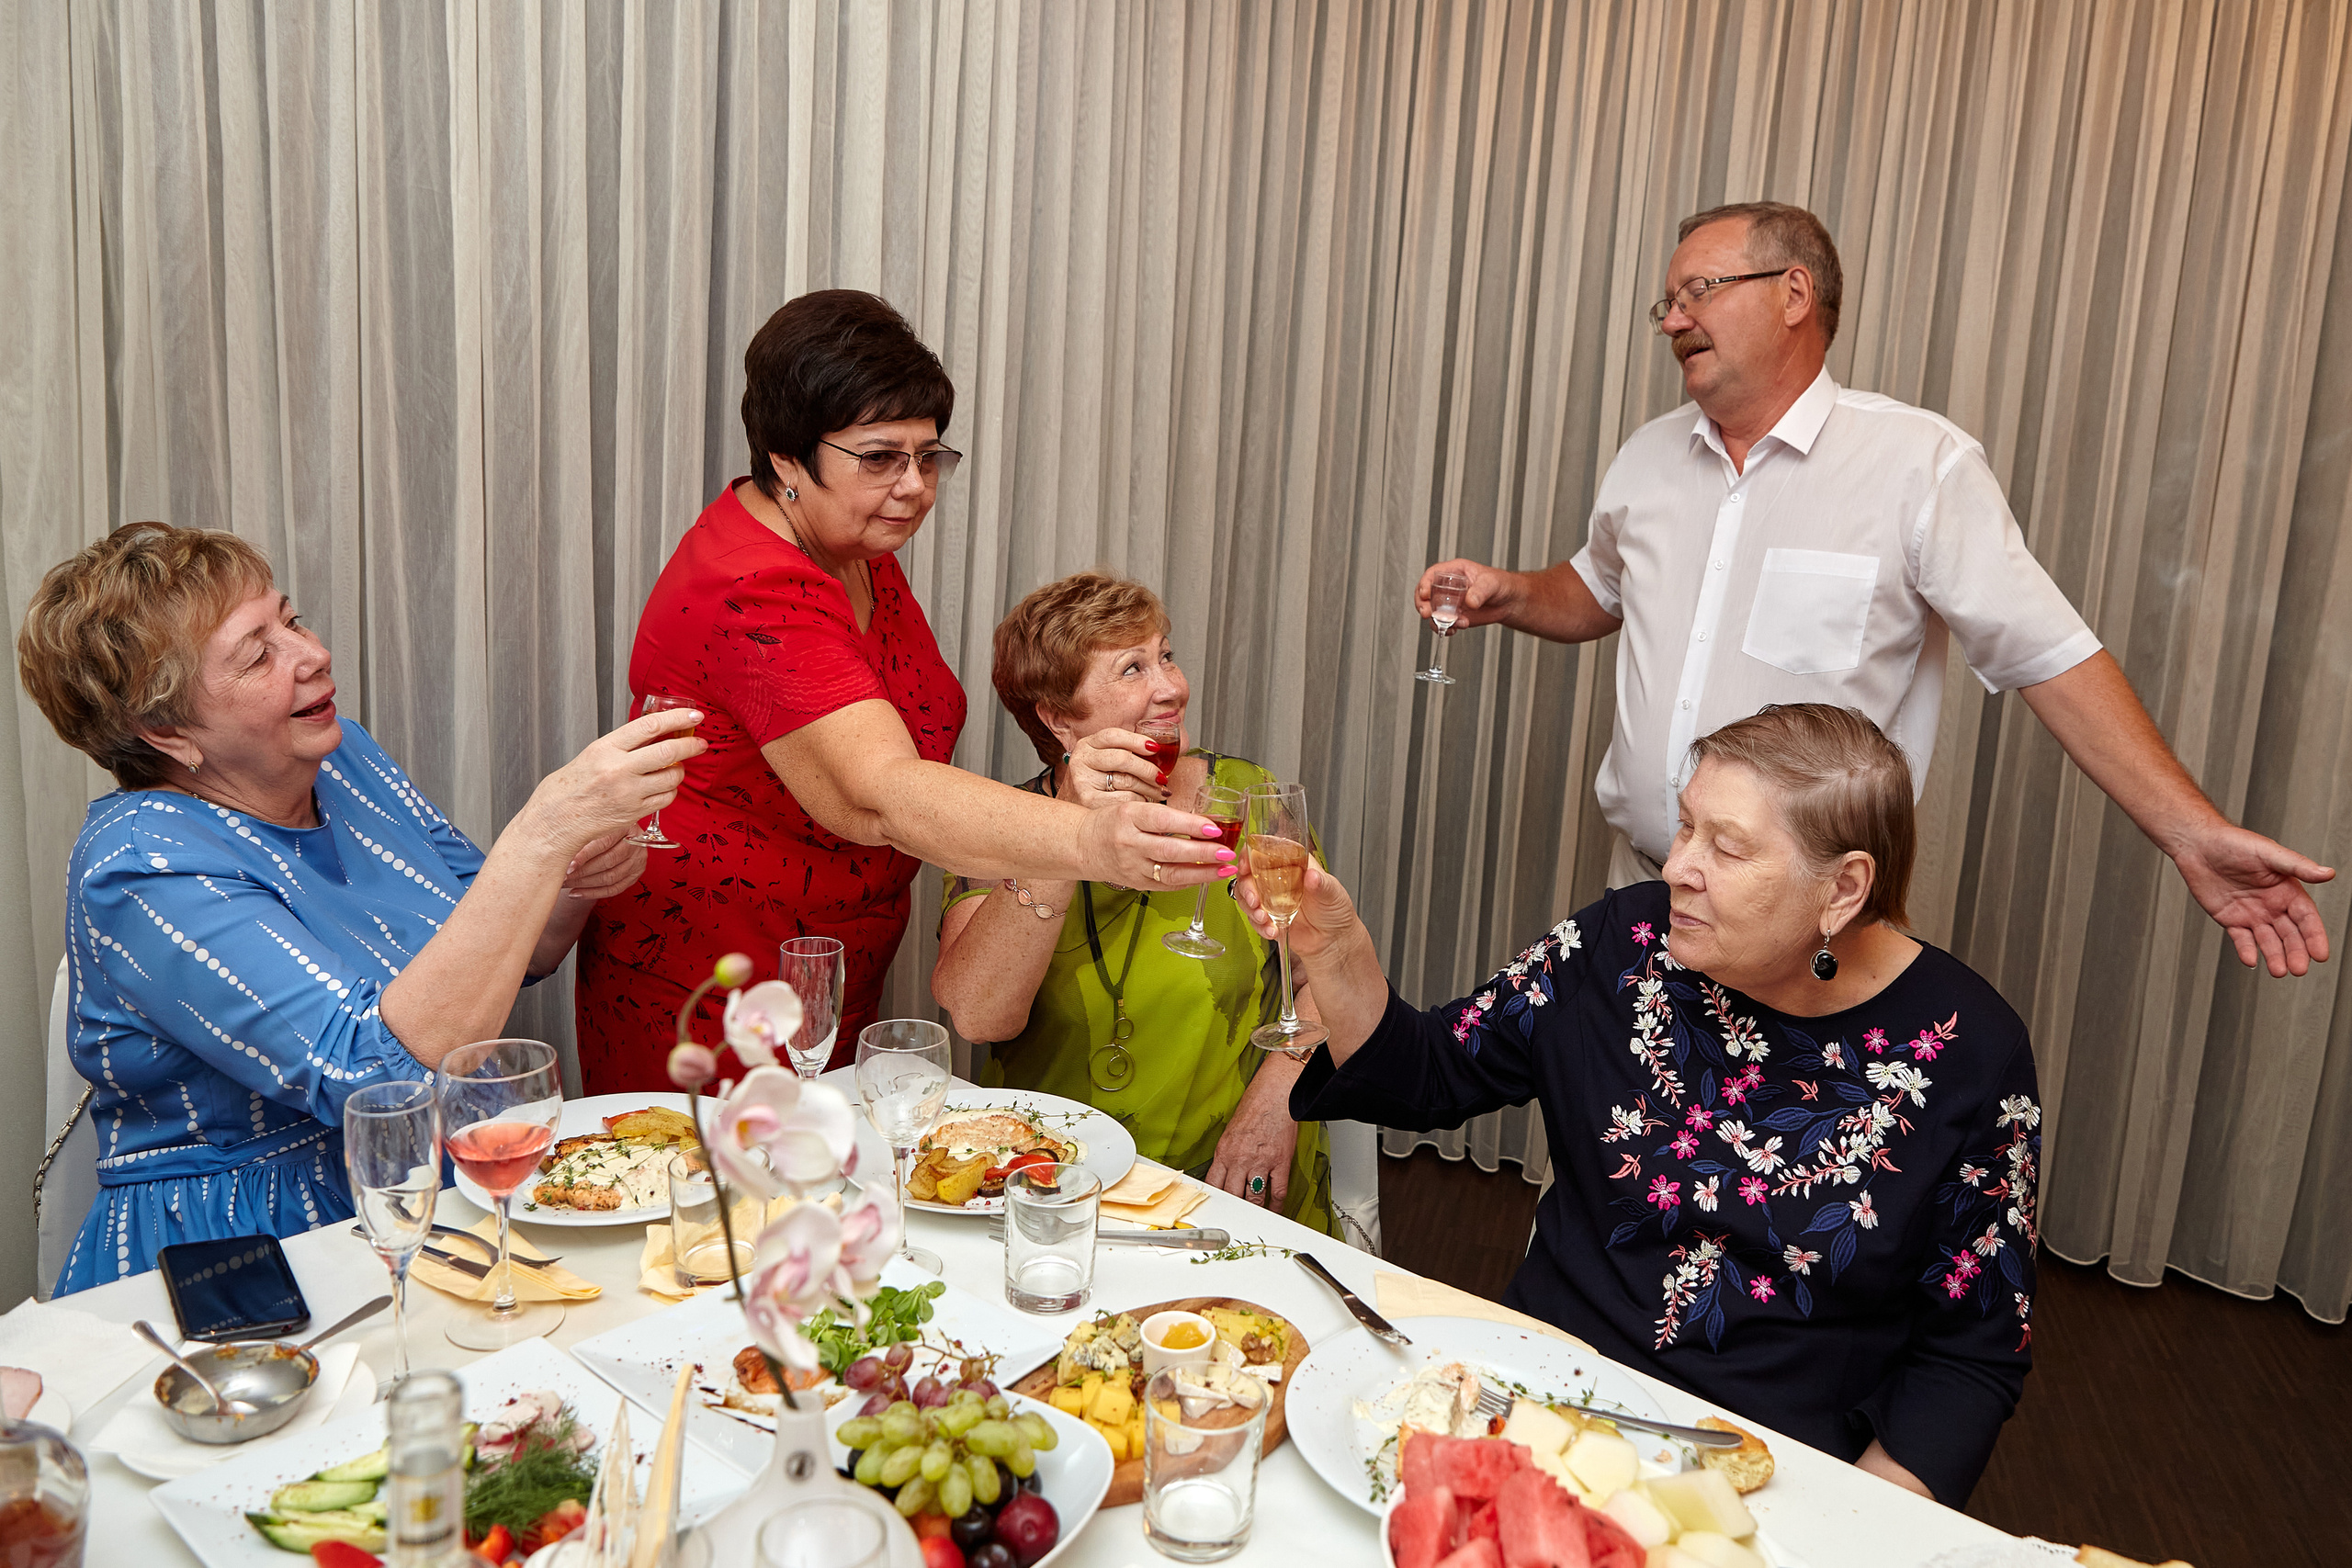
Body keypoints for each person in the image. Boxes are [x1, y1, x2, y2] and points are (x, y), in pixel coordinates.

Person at [1418, 200, 2332, 978]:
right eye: (1669, 299)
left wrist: (2190, 832)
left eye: (1699, 291)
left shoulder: (1917, 466)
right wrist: (1510, 594)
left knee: (1780, 1181)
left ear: (1792, 294)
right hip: (1641, 907)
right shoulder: (1647, 456)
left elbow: (2048, 656)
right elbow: (1597, 591)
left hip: (1804, 935)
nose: (1671, 319)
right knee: (1617, 1174)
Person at [1250, 705, 2038, 1507]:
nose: (1677, 867)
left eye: (1725, 847)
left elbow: (1968, 1359)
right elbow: (1430, 1074)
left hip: (1754, 1475)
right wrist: (1338, 951)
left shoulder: (1970, 1050)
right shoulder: (1623, 944)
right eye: (1686, 826)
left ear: (1843, 887)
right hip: (1533, 1404)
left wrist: (1852, 1526)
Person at [575, 293, 1232, 1089]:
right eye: (881, 457)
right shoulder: (746, 585)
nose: (915, 486)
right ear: (786, 457)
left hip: (835, 963)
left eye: (929, 457)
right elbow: (879, 792)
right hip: (718, 982)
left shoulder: (853, 543)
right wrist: (1093, 840)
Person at [17, 523, 697, 1293]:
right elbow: (379, 1074)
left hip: (439, 1191)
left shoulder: (341, 757)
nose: (312, 654)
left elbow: (513, 952)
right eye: (258, 652)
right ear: (168, 731)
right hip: (245, 1253)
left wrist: (571, 877)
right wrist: (540, 833)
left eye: (292, 620)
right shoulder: (142, 866)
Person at [931, 572, 1334, 1230]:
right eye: (1132, 667)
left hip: (1232, 1178)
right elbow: (979, 1015)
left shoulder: (1247, 796)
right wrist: (1068, 827)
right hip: (1061, 1182)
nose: (1172, 686)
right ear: (1059, 718)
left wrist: (1274, 1103)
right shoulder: (1001, 822)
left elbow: (1329, 974)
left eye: (1166, 654)